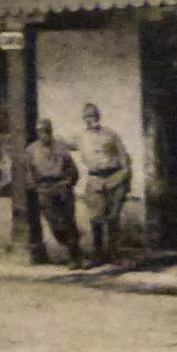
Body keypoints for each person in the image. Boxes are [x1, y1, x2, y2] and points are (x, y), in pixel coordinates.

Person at [22, 118, 84, 269]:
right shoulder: (31, 150)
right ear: (37, 133)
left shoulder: (61, 148)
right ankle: (69, 245)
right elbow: (28, 172)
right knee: (54, 223)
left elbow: (72, 169)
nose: (44, 134)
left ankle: (75, 257)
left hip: (62, 187)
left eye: (46, 131)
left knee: (68, 221)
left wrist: (69, 183)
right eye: (41, 132)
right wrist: (35, 187)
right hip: (44, 189)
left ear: (51, 131)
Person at [76, 103, 132, 267]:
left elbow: (124, 157)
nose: (90, 119)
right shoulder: (80, 138)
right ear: (83, 119)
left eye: (93, 115)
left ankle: (114, 253)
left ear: (98, 116)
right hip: (95, 180)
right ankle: (98, 255)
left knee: (113, 218)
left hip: (114, 178)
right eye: (87, 116)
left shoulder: (111, 135)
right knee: (95, 219)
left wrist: (125, 177)